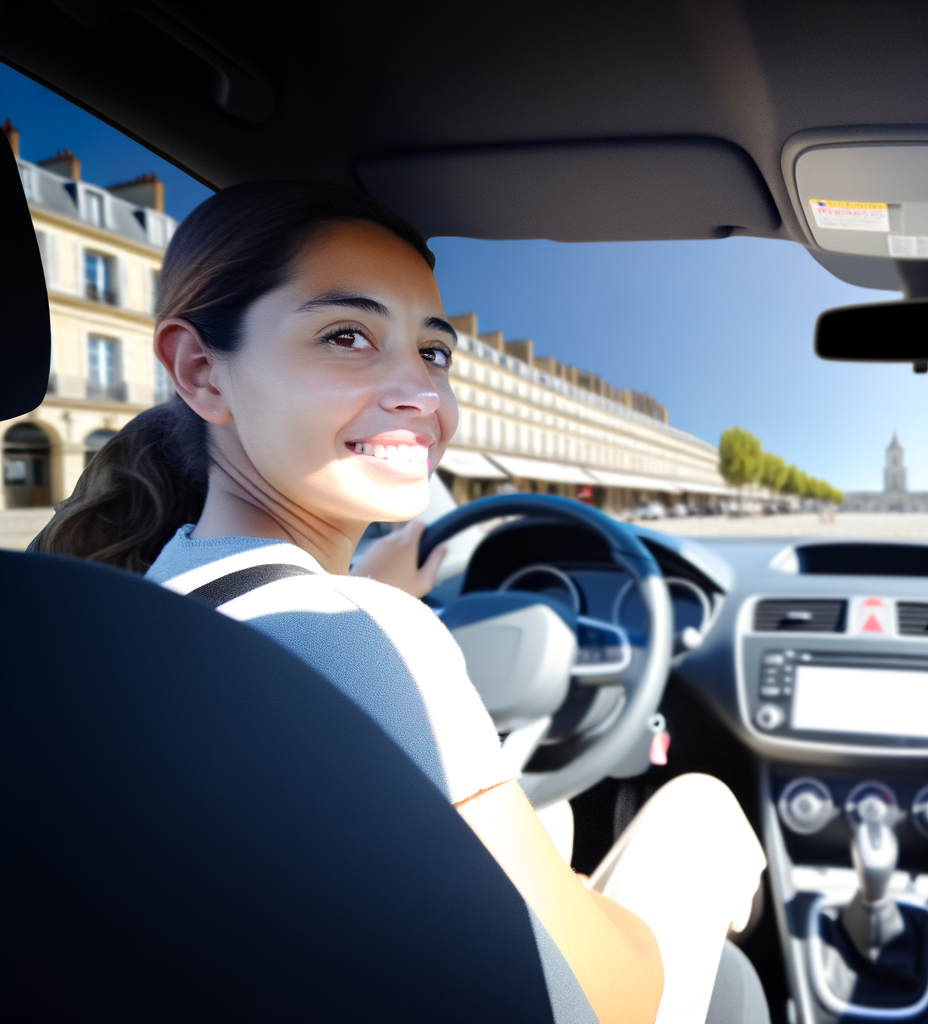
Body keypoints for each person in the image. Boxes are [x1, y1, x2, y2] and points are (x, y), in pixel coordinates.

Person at [32, 182, 767, 1024]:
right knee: (701, 810)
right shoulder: (379, 638)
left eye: (434, 352)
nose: (424, 394)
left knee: (553, 814)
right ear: (201, 371)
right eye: (347, 336)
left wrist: (372, 584)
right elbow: (618, 1001)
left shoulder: (134, 592)